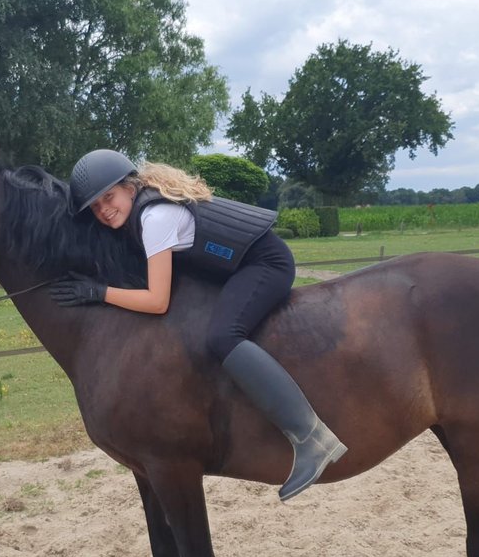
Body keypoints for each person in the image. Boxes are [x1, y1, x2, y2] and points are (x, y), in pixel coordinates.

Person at [50, 148, 347, 501]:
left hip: (266, 263)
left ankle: (312, 438)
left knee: (223, 336)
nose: (104, 210)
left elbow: (156, 301)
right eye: (95, 208)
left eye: (108, 198)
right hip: (237, 266)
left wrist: (99, 293)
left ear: (129, 188)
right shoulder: (142, 213)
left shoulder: (155, 218)